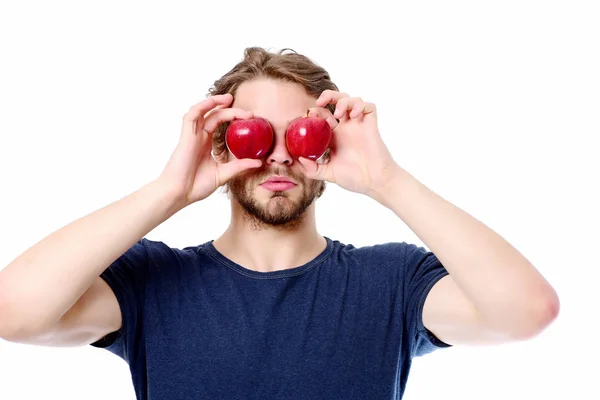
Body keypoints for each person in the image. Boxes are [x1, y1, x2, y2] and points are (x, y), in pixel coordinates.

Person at [0, 47, 559, 400]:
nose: (278, 157)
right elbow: (15, 312)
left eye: (298, 134)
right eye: (255, 134)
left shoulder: (391, 282)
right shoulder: (154, 282)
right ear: (220, 144)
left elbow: (527, 311)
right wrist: (167, 193)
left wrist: (386, 179)